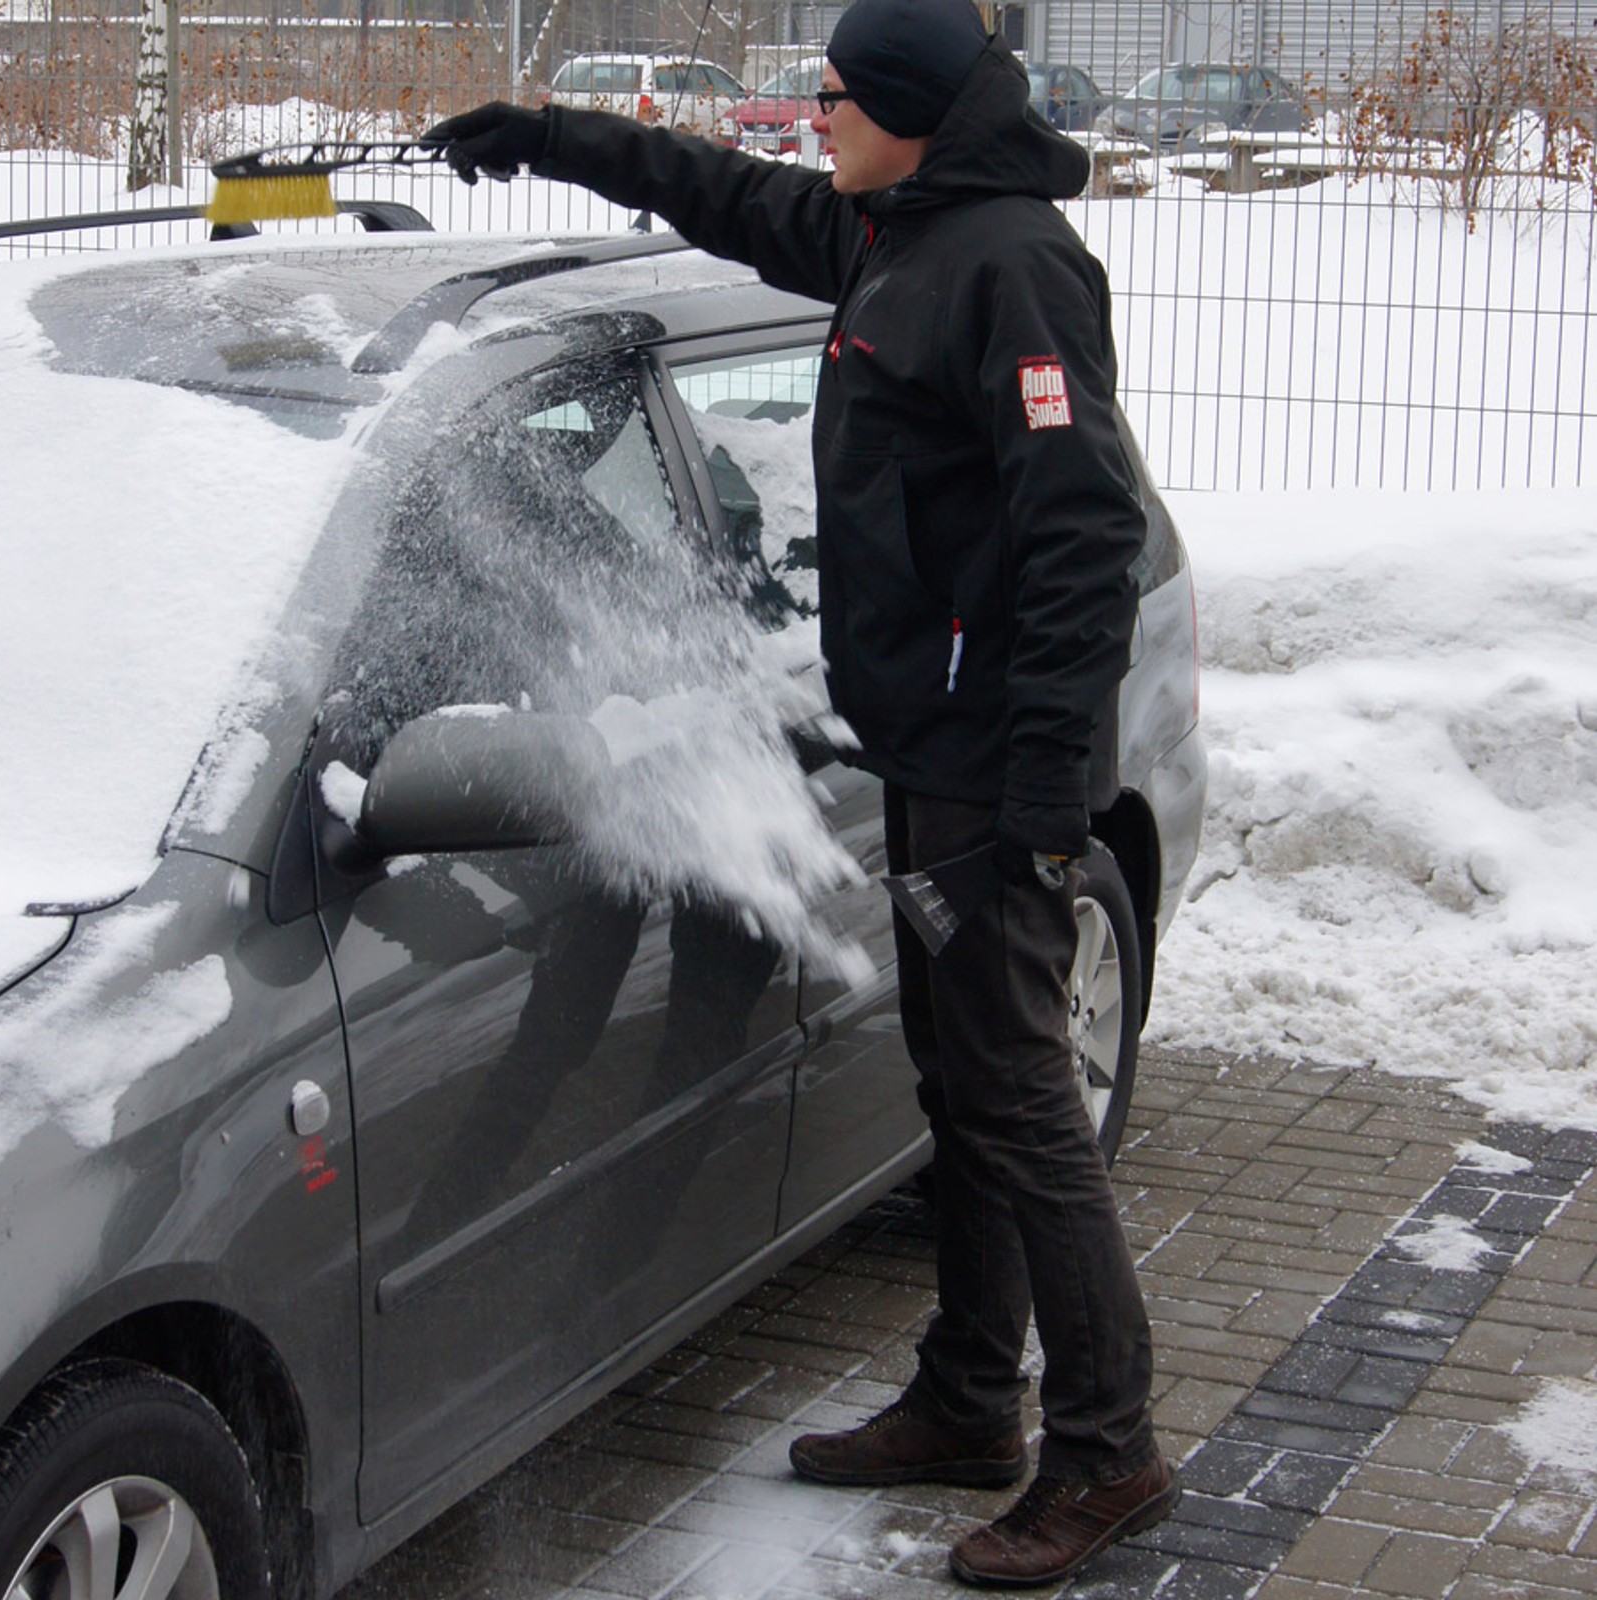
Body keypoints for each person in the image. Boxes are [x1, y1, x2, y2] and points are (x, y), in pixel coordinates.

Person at [422, 0, 1179, 1585]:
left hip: (991, 774)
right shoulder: (891, 232)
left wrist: (1042, 809)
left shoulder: (1011, 268)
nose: (808, 114)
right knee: (961, 1085)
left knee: (1025, 1105)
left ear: (910, 108)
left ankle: (1109, 1453)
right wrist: (552, 138)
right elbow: (731, 195)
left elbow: (1083, 539)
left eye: (837, 94)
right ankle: (973, 1398)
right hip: (927, 756)